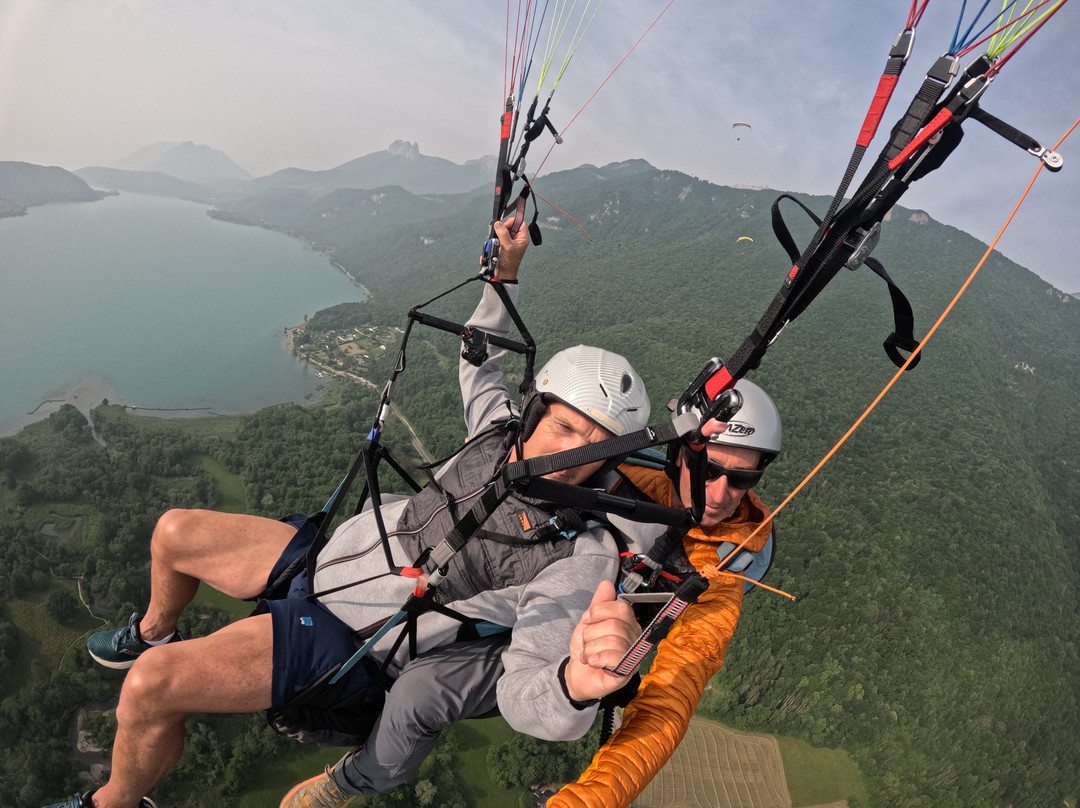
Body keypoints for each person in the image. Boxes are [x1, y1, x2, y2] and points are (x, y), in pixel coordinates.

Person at [43, 219, 651, 808]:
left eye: (593, 446)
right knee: (173, 533)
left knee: (151, 687)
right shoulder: (494, 433)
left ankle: (113, 801)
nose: (570, 454)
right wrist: (505, 276)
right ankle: (152, 631)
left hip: (354, 639)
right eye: (564, 427)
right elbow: (480, 361)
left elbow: (523, 690)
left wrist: (575, 687)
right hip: (333, 560)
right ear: (535, 412)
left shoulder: (578, 551)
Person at [546, 378, 782, 808]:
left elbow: (666, 706)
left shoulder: (720, 578)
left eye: (740, 478)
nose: (718, 494)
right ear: (678, 454)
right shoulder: (629, 475)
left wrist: (587, 803)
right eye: (708, 469)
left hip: (562, 653)